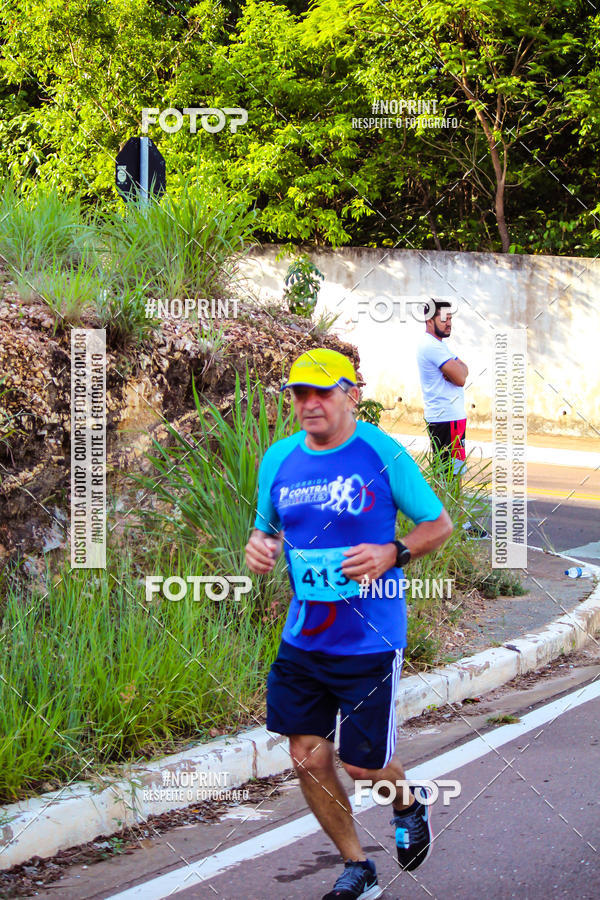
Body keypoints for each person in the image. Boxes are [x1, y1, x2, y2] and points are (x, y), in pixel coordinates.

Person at [245, 348, 453, 900]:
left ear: (350, 394)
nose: (309, 404)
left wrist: (394, 553)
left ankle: (407, 802)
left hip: (369, 640)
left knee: (364, 768)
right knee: (306, 756)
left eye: (322, 393)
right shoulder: (278, 459)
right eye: (299, 394)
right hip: (303, 637)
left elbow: (438, 524)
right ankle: (357, 866)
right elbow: (266, 527)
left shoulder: (381, 453)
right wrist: (259, 546)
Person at [416, 299, 487, 538]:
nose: (449, 324)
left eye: (451, 319)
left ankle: (452, 523)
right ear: (429, 320)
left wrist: (458, 368)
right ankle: (446, 526)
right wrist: (457, 369)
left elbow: (462, 370)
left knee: (450, 472)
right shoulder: (432, 347)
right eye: (444, 319)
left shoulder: (438, 346)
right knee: (448, 474)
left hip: (449, 418)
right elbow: (461, 377)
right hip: (447, 419)